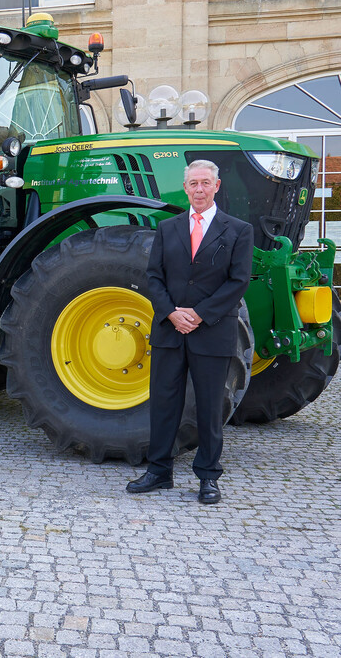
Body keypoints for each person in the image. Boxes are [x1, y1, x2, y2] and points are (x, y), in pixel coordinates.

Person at [127, 159, 253, 505]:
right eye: (193, 183)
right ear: (186, 188)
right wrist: (170, 312)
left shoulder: (238, 230)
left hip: (211, 331)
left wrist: (199, 315)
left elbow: (238, 281)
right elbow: (154, 276)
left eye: (205, 183)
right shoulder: (168, 229)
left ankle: (209, 477)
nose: (199, 189)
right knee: (164, 404)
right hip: (170, 330)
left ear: (216, 186)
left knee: (210, 408)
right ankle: (158, 471)